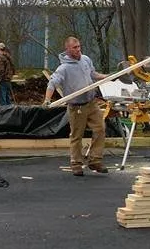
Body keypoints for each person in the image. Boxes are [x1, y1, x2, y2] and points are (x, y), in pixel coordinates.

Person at [43, 36, 109, 176]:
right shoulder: (64, 68)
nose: (78, 50)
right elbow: (52, 83)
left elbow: (93, 74)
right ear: (67, 49)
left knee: (100, 128)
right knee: (76, 135)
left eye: (79, 46)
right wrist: (47, 99)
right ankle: (76, 163)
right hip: (76, 106)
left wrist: (107, 77)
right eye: (75, 48)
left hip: (91, 102)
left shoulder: (85, 59)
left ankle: (95, 160)